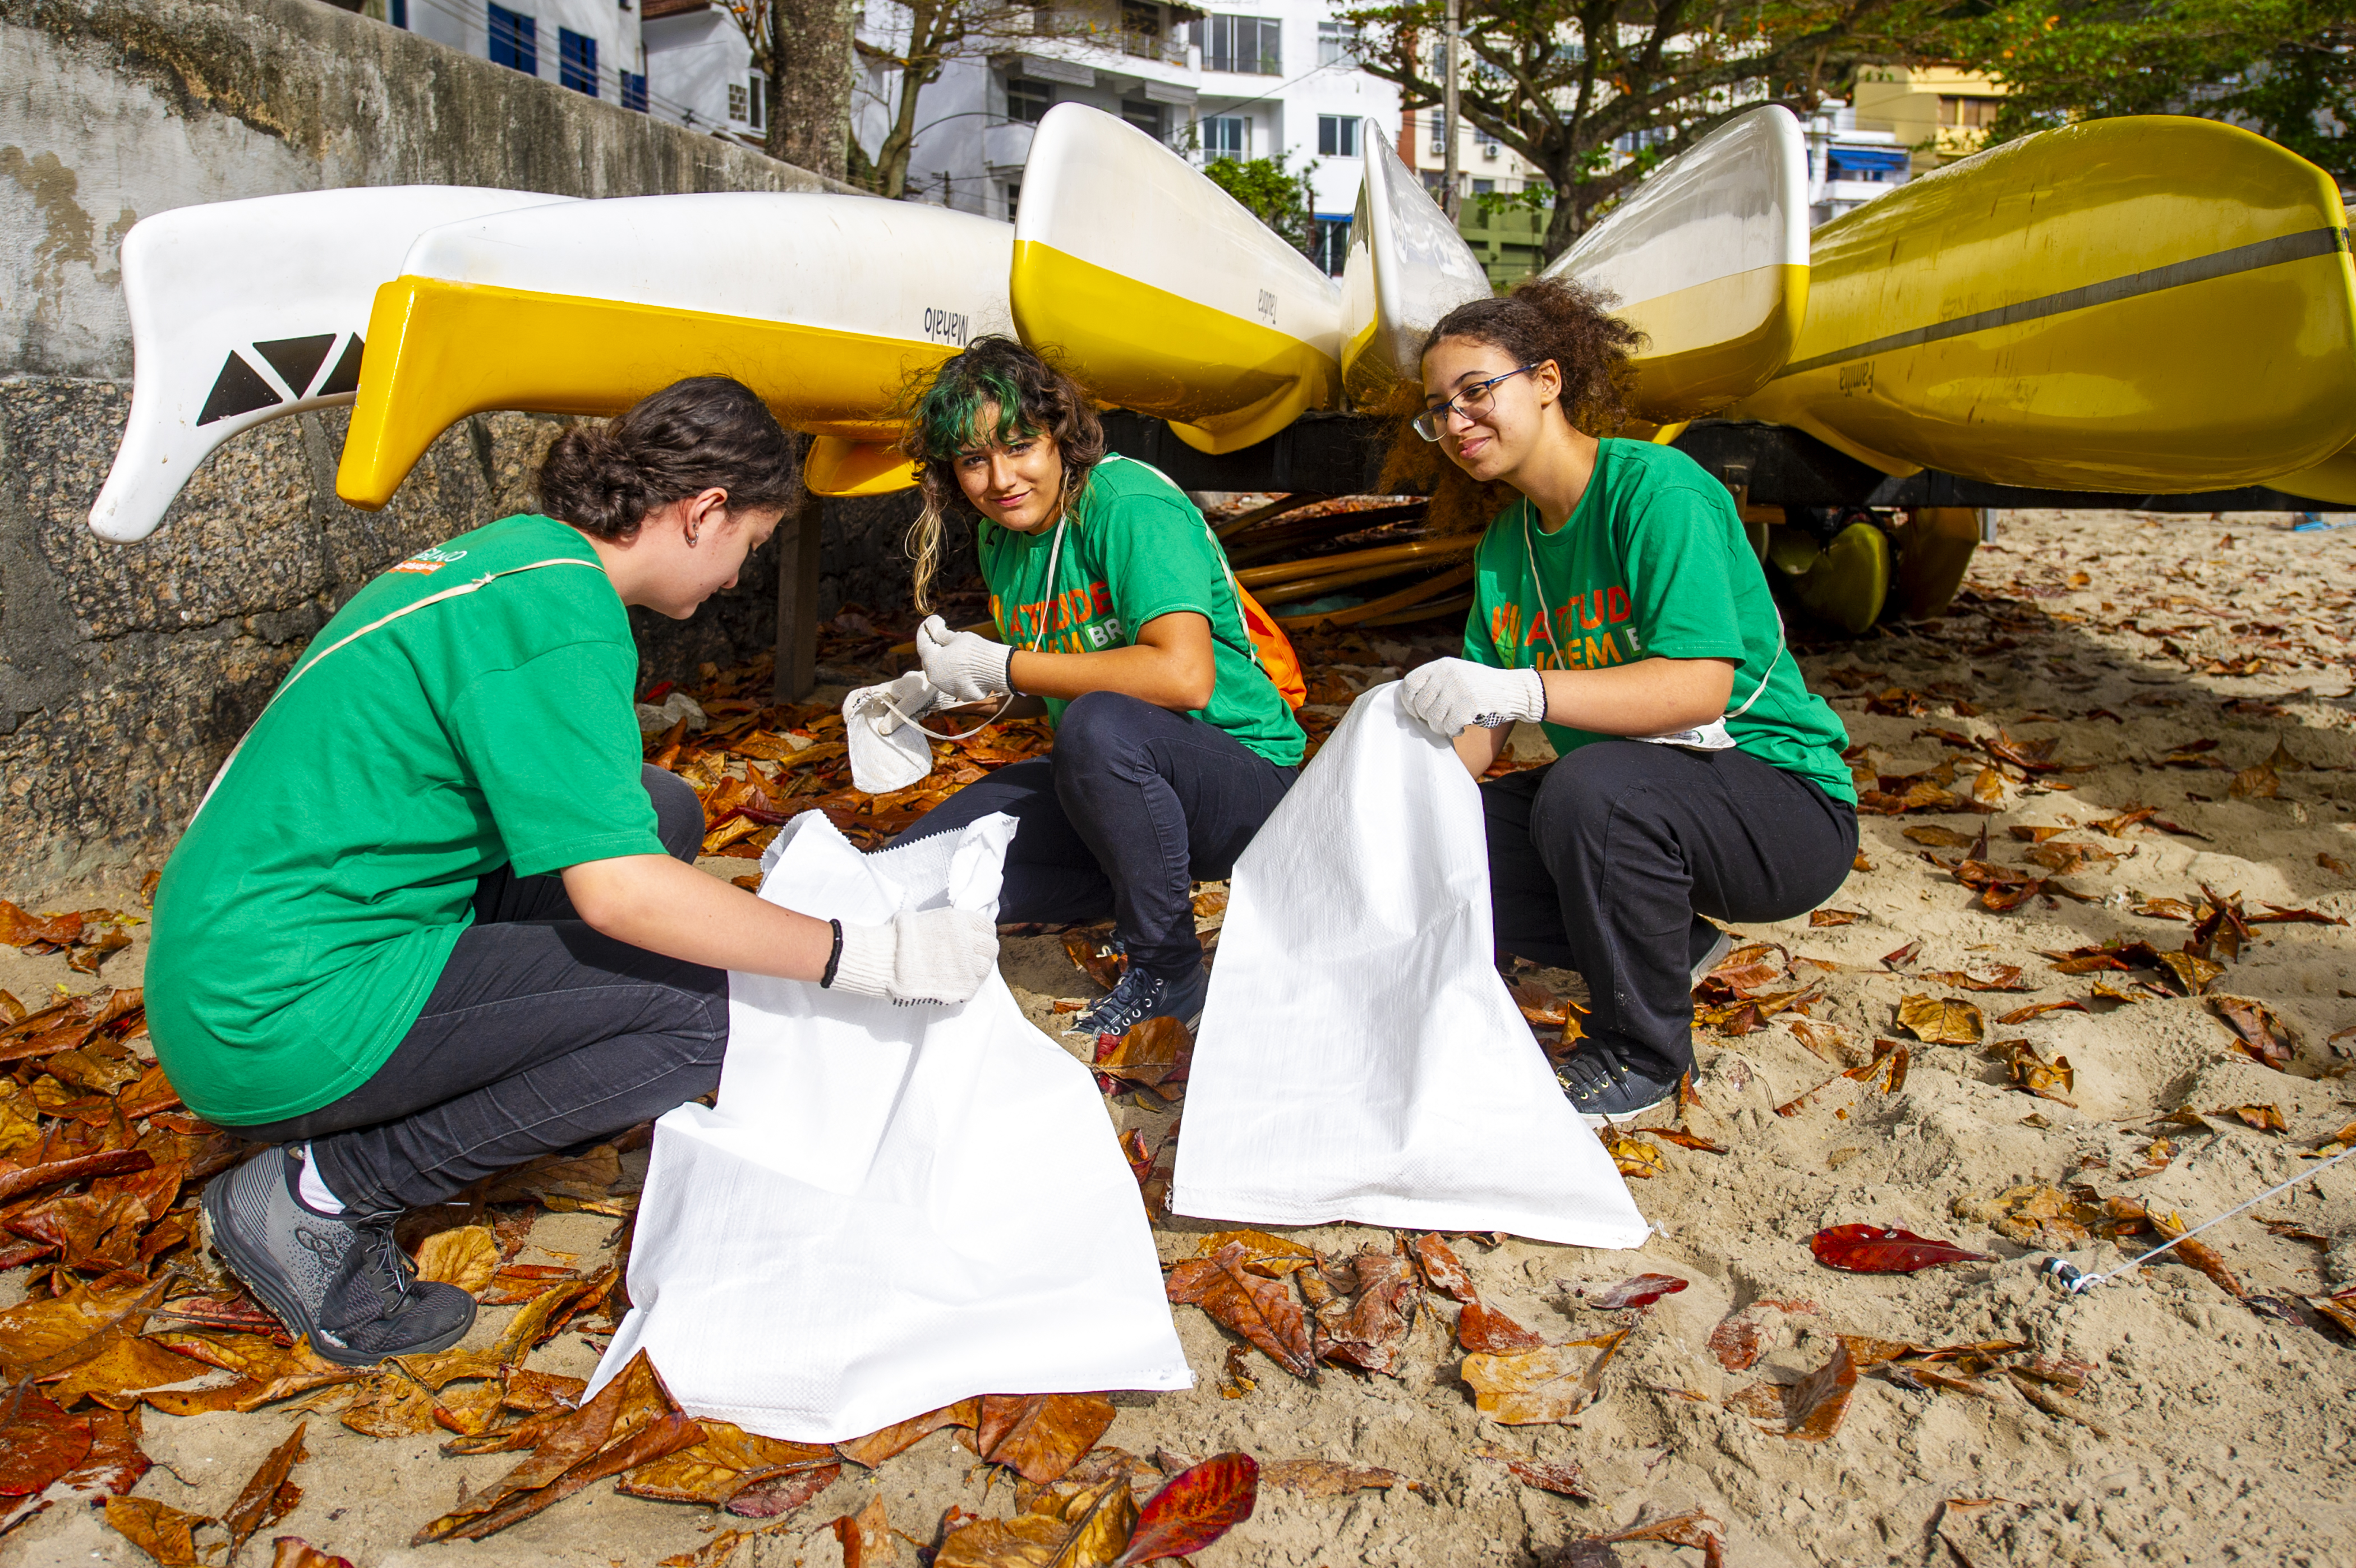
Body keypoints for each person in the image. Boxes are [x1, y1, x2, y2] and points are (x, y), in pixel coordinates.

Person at [151, 378, 998, 1366]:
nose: (735, 580)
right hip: (271, 1013)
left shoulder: (519, 559)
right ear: (705, 512)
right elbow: (622, 892)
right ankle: (323, 1193)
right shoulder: (563, 616)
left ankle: (519, 1039)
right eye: (751, 550)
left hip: (249, 947)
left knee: (662, 809)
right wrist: (864, 953)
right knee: (703, 1014)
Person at [1395, 281, 1860, 1124]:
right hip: (1645, 798)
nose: (1457, 422)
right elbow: (1481, 735)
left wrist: (1518, 687)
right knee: (1443, 836)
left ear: (1547, 380)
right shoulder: (1508, 543)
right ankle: (1678, 944)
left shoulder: (1657, 491)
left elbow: (1699, 686)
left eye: (1476, 392)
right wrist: (1399, 791)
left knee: (1591, 788)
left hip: (1781, 800)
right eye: (1439, 409)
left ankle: (1643, 1056)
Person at [885, 336, 1305, 1036]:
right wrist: (944, 695)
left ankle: (1167, 970)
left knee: (1098, 726)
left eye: (1019, 445)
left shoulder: (1127, 503)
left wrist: (1003, 664)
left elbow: (1182, 675)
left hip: (1244, 775)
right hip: (1124, 782)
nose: (1000, 478)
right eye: (972, 460)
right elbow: (1059, 668)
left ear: (1060, 437)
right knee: (923, 862)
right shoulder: (1004, 537)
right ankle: (1120, 894)